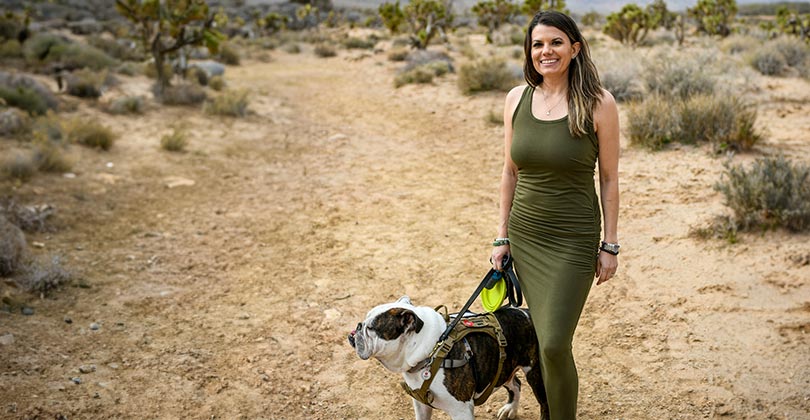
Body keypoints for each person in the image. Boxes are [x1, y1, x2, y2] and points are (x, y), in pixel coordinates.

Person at [490, 10, 620, 420]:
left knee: (553, 343)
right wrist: (501, 236)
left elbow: (610, 179)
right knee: (543, 335)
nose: (546, 51)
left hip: (572, 239)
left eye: (556, 42)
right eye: (537, 44)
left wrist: (610, 245)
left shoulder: (598, 102)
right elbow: (510, 171)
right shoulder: (516, 99)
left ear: (575, 48)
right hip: (525, 235)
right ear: (530, 53)